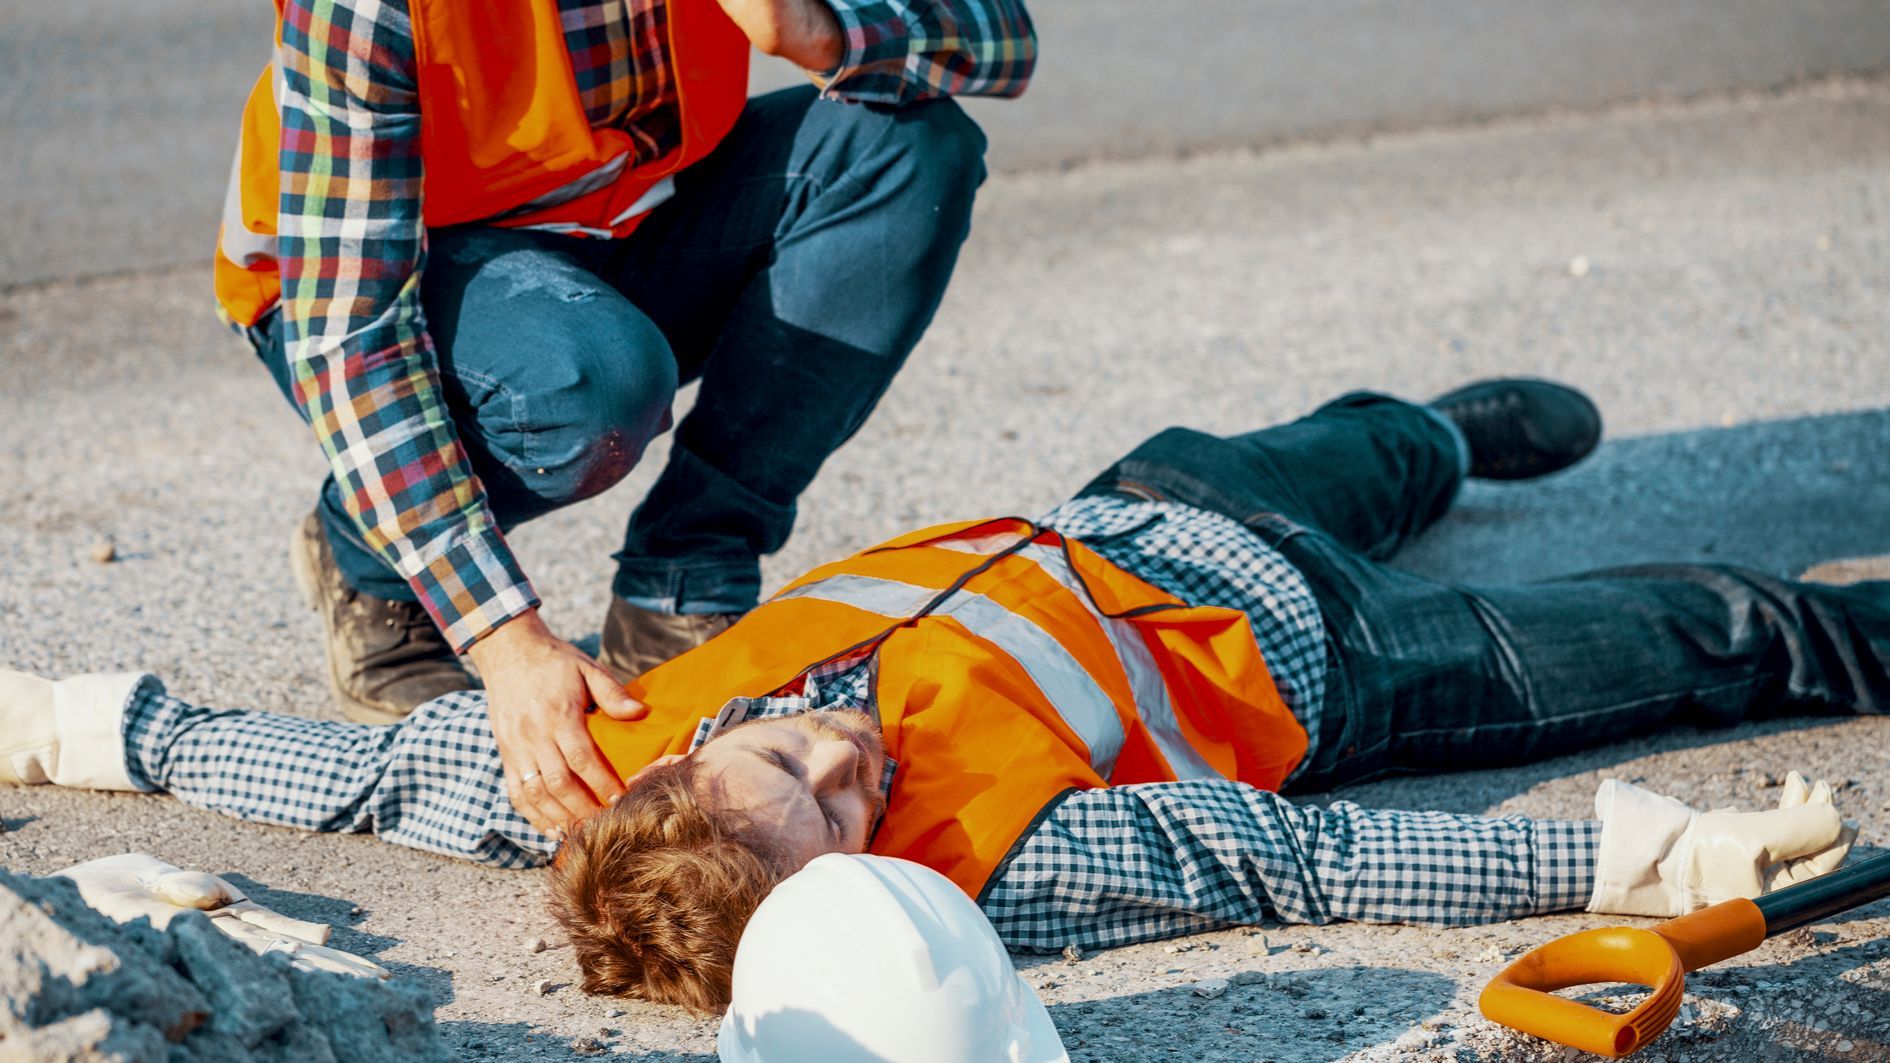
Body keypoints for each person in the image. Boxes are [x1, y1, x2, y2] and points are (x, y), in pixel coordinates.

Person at [4, 379, 1878, 1014]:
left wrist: (65, 727)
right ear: (843, 884)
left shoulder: (578, 769)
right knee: (1713, 631)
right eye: (830, 802)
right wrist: (1645, 855)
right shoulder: (990, 873)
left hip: (1142, 508)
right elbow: (1302, 863)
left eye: (777, 749)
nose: (836, 750)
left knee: (1362, 439)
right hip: (1337, 664)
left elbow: (330, 775)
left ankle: (1436, 433)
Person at [211, 0, 1036, 838]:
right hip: (375, 282)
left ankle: (678, 585)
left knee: (906, 149)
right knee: (587, 391)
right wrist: (503, 638)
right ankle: (368, 559)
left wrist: (822, 30)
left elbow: (1002, 40)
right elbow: (350, 332)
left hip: (621, 224)